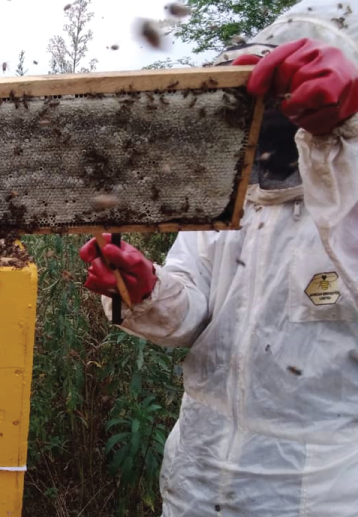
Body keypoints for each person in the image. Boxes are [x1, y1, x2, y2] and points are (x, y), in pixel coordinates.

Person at [79, 1, 358, 515]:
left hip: (318, 495)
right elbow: (197, 315)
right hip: (196, 478)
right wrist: (148, 291)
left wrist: (346, 138)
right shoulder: (234, 198)